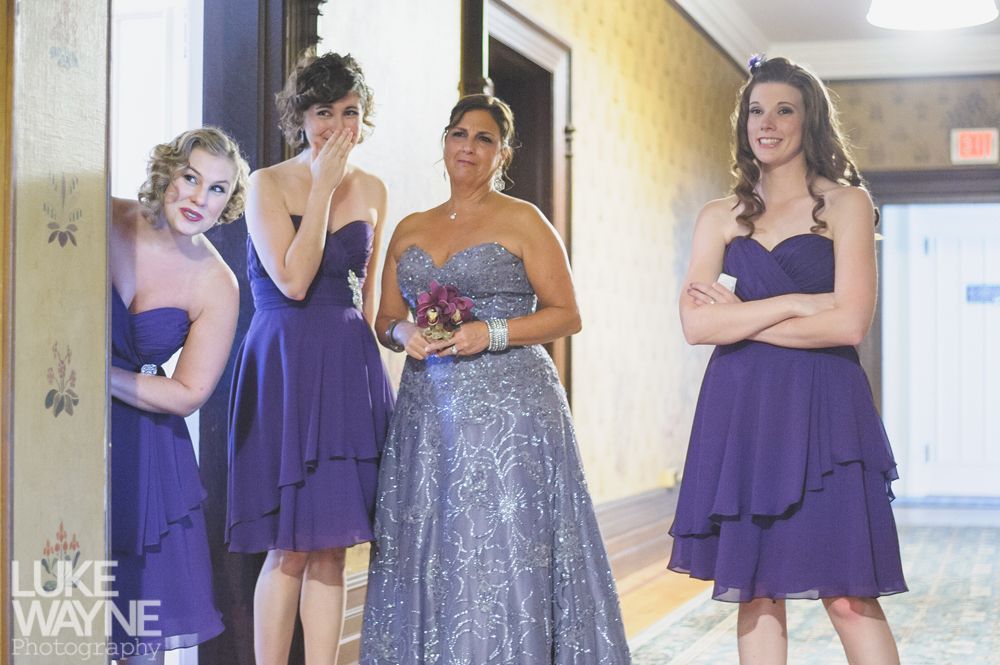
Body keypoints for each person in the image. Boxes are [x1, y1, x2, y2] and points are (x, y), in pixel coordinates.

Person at [360, 94, 631, 664]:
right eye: (459, 133)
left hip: (512, 413)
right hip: (428, 412)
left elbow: (567, 314)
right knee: (433, 545)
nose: (469, 146)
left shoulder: (523, 219)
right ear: (444, 143)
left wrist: (494, 332)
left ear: (503, 153)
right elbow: (384, 317)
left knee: (502, 547)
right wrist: (402, 335)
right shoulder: (410, 227)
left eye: (484, 138)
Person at [668, 55, 907, 664]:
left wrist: (743, 317)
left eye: (783, 110)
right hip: (743, 411)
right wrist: (800, 302)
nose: (766, 123)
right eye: (756, 110)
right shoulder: (718, 216)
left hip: (828, 412)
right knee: (757, 590)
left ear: (810, 121)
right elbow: (698, 324)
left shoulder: (848, 204)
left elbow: (850, 323)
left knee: (851, 596)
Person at [226, 51, 393, 665]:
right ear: (301, 116)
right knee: (288, 546)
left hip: (349, 367)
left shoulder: (375, 189)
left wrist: (418, 336)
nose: (338, 126)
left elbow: (371, 305)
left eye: (350, 112)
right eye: (325, 112)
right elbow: (294, 280)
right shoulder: (267, 182)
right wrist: (322, 185)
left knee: (332, 546)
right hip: (285, 369)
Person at [110, 126, 249, 662]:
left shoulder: (217, 283)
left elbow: (189, 392)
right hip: (52, 421)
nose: (199, 198)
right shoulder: (104, 214)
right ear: (168, 171)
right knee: (48, 615)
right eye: (191, 178)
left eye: (217, 189)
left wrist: (99, 378)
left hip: (144, 451)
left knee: (132, 633)